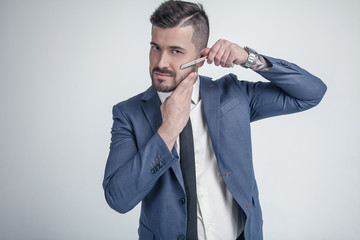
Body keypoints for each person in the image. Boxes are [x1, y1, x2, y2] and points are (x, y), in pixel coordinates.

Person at [102, 1, 327, 239]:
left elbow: (311, 93)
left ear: (200, 58)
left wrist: (249, 59)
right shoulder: (128, 114)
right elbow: (118, 198)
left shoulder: (233, 95)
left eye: (175, 51)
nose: (160, 63)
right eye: (156, 47)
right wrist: (167, 132)